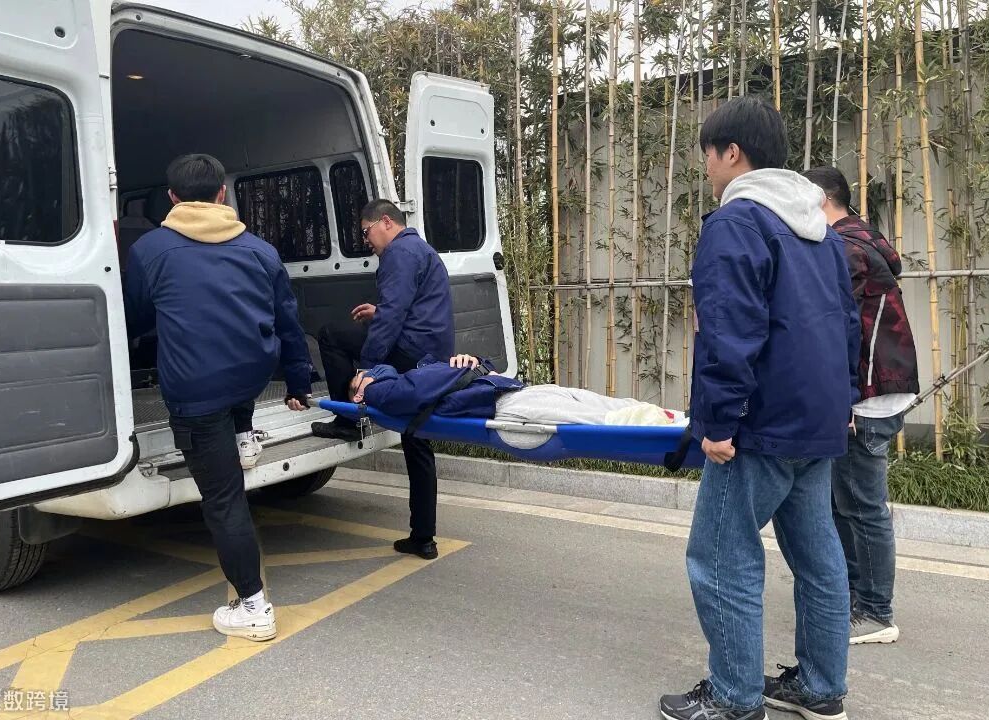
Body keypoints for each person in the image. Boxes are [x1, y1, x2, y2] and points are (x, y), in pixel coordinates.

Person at [658, 97, 860, 720]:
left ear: (732, 153)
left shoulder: (737, 223)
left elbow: (728, 329)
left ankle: (734, 698)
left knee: (722, 559)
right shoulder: (818, 228)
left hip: (758, 425)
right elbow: (846, 323)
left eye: (708, 155)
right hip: (817, 422)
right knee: (818, 559)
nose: (706, 168)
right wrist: (845, 401)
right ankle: (822, 688)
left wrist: (717, 421)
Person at [124, 153, 312, 642]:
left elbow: (134, 317)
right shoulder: (260, 250)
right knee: (237, 361)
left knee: (224, 501)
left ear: (172, 198)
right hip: (251, 376)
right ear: (222, 194)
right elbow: (288, 324)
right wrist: (298, 383)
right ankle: (244, 434)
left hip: (197, 393)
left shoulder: (150, 249)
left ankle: (253, 606)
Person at [804, 166, 920, 645]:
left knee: (861, 507)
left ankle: (875, 611)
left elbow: (838, 331)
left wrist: (843, 401)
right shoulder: (863, 238)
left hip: (866, 395)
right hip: (877, 389)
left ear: (821, 200)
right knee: (847, 504)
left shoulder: (844, 247)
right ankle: (856, 599)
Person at [311, 199, 454, 560]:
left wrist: (368, 371)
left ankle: (347, 420)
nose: (366, 241)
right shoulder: (421, 250)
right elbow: (408, 308)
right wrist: (380, 312)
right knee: (416, 440)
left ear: (386, 222)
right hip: (429, 359)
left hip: (409, 352)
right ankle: (423, 537)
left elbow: (392, 320)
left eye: (366, 232)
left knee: (330, 335)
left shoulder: (399, 253)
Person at [348, 354, 681, 428]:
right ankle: (665, 426)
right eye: (357, 381)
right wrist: (464, 368)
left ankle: (674, 417)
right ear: (360, 395)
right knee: (594, 418)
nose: (362, 377)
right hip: (505, 406)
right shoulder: (386, 391)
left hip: (512, 390)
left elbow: (478, 368)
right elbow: (413, 392)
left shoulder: (415, 373)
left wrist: (473, 362)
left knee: (592, 400)